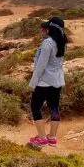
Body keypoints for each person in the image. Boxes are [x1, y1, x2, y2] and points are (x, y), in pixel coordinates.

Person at [29, 16, 67, 147]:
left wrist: (33, 82)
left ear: (50, 29)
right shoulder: (61, 42)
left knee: (35, 107)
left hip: (44, 81)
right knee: (54, 107)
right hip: (57, 80)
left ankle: (42, 138)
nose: (43, 30)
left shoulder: (48, 43)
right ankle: (52, 137)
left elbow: (41, 65)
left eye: (46, 28)